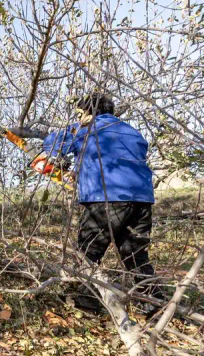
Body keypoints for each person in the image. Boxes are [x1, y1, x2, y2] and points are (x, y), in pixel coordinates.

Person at [33, 92, 162, 310]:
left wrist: (59, 156)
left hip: (107, 198)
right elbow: (117, 160)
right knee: (135, 255)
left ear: (88, 112)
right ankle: (155, 305)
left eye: (80, 113)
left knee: (87, 252)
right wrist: (80, 170)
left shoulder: (87, 128)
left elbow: (53, 141)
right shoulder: (133, 132)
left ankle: (87, 304)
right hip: (142, 199)